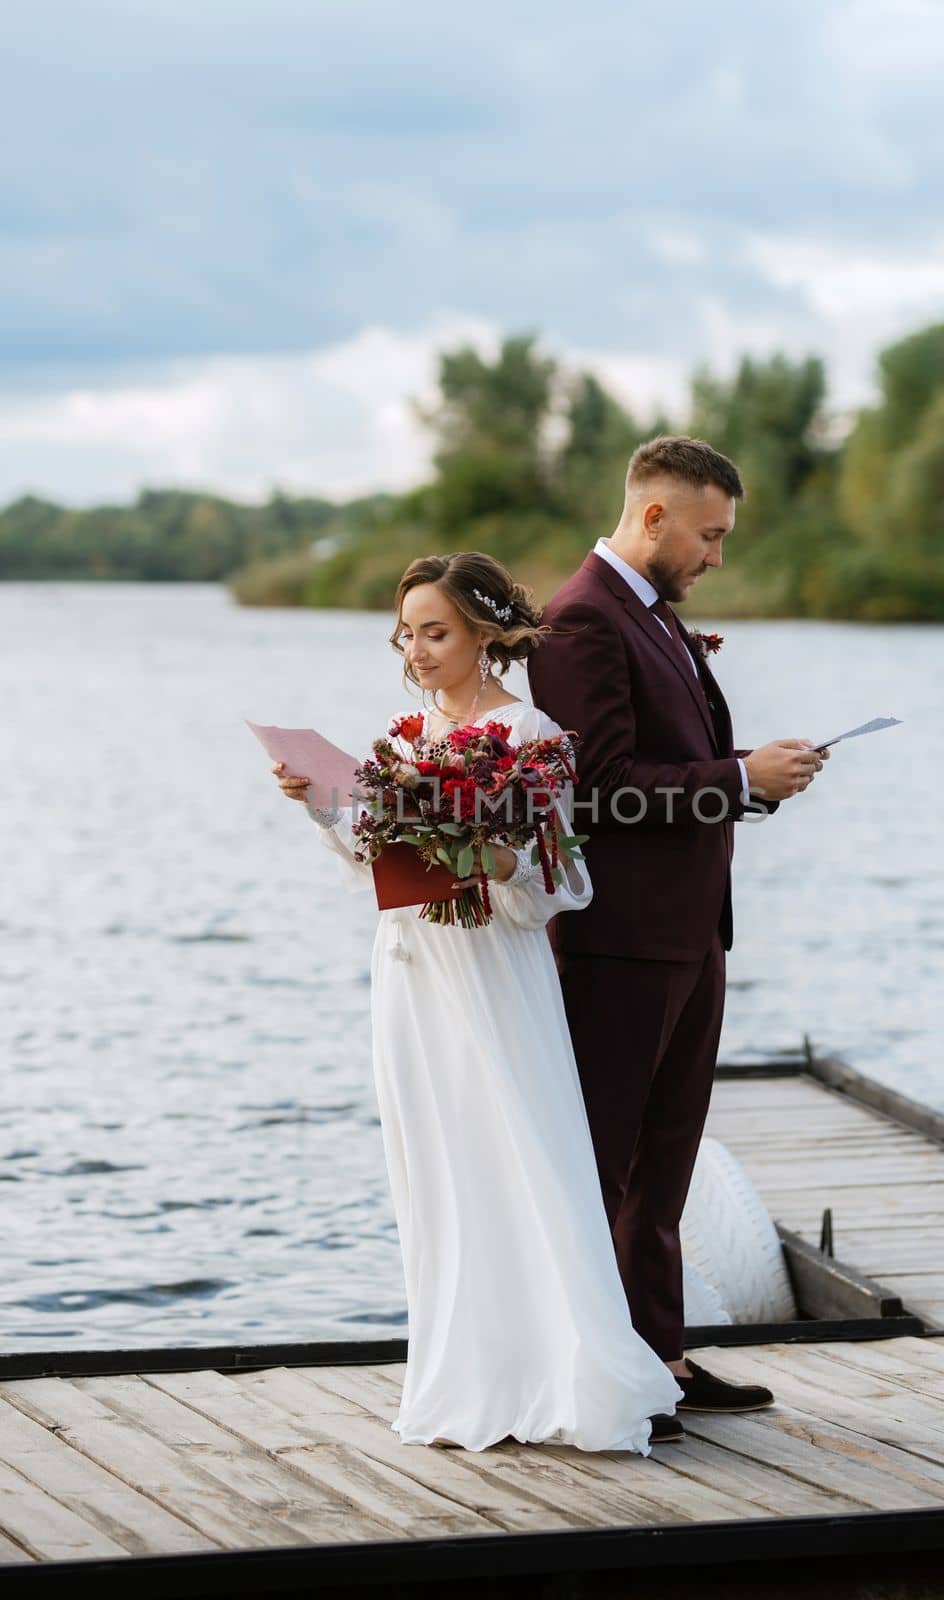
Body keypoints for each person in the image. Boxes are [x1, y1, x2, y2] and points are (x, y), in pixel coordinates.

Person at [270, 551, 683, 1454]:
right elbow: (375, 866)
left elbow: (561, 881)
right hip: (412, 967)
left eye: (436, 631)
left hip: (493, 969)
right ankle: (464, 1376)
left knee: (517, 1155)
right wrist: (323, 808)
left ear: (486, 635)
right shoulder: (401, 732)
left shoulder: (533, 735)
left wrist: (495, 854)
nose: (417, 650)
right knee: (437, 1165)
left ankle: (559, 1372)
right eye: (406, 633)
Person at [527, 435, 830, 1434]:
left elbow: (664, 763)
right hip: (618, 945)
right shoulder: (579, 621)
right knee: (609, 1167)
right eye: (708, 535)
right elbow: (600, 791)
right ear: (653, 517)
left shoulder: (649, 617)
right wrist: (739, 781)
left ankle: (661, 1362)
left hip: (690, 934)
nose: (716, 557)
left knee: (665, 1169)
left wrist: (752, 767)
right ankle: (603, 1374)